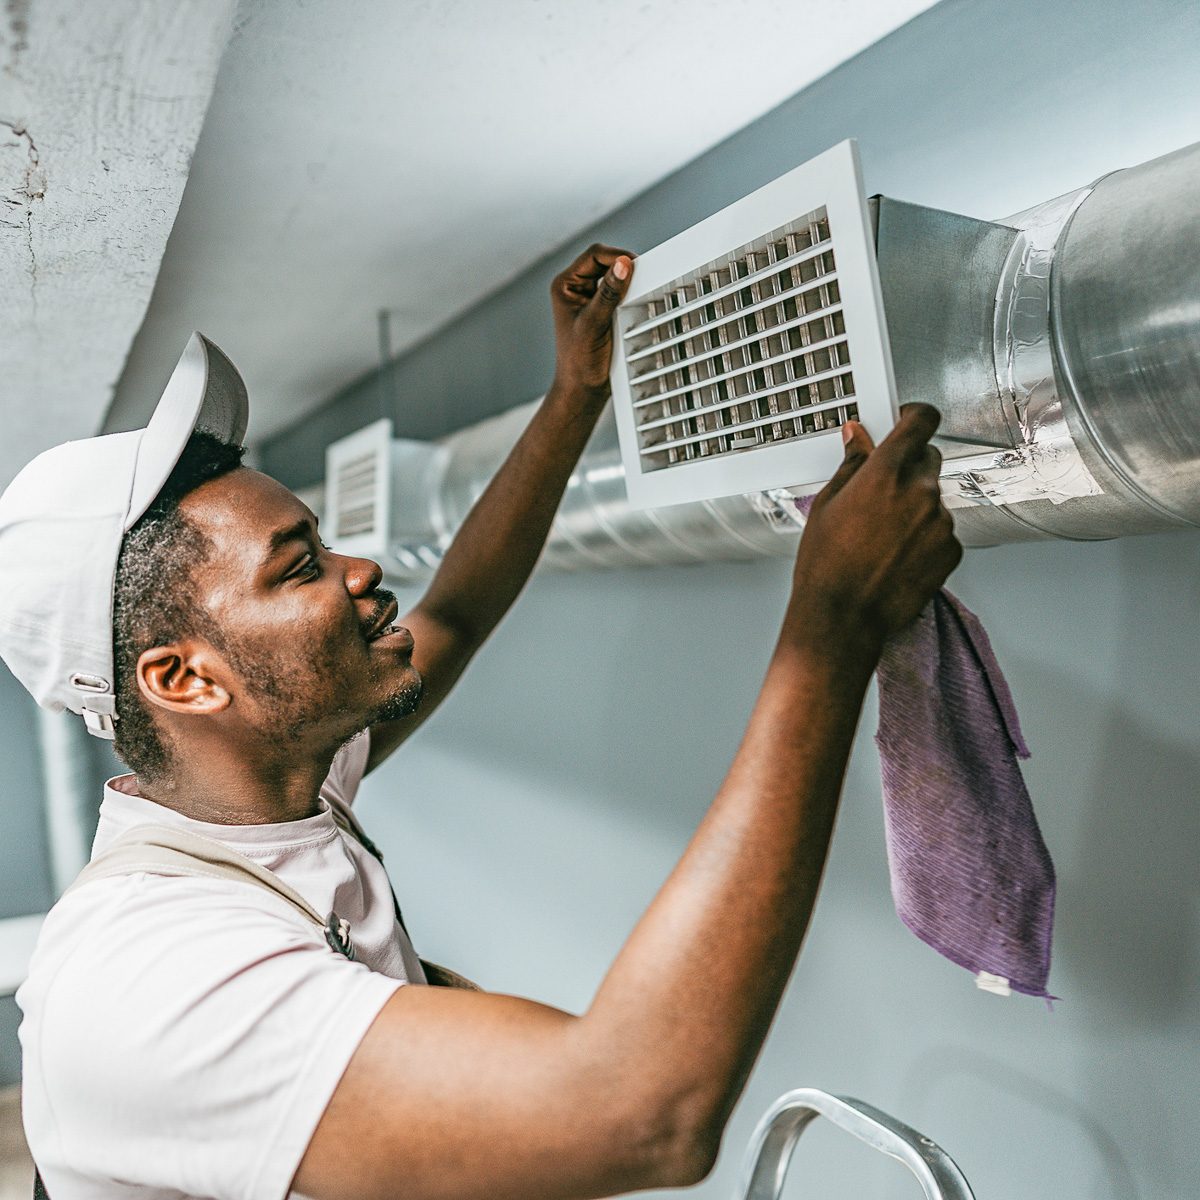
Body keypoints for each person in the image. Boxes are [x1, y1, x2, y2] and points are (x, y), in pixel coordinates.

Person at [0, 244, 959, 1200]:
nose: (361, 571)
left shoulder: (274, 785)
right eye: (298, 567)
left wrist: (574, 393)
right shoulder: (150, 979)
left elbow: (457, 607)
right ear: (187, 681)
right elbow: (641, 1114)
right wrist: (832, 626)